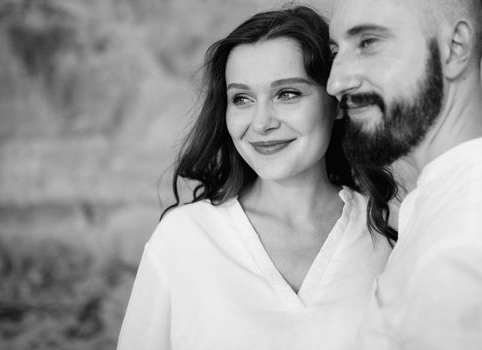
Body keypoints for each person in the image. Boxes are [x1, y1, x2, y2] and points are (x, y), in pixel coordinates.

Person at [117, 5, 398, 350]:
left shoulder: (390, 233)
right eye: (242, 98)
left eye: (287, 94)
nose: (261, 122)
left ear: (337, 101)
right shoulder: (183, 238)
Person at [327, 0, 482, 349]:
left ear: (454, 47)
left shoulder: (465, 257)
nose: (335, 82)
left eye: (368, 42)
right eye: (336, 50)